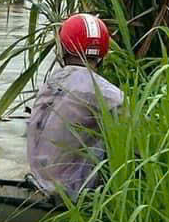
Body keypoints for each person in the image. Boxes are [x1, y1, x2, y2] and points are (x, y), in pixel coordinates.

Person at [26, 12, 124, 199]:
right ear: (104, 53)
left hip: (36, 181)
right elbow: (142, 141)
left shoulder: (51, 83)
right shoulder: (108, 94)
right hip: (70, 193)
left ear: (63, 49)